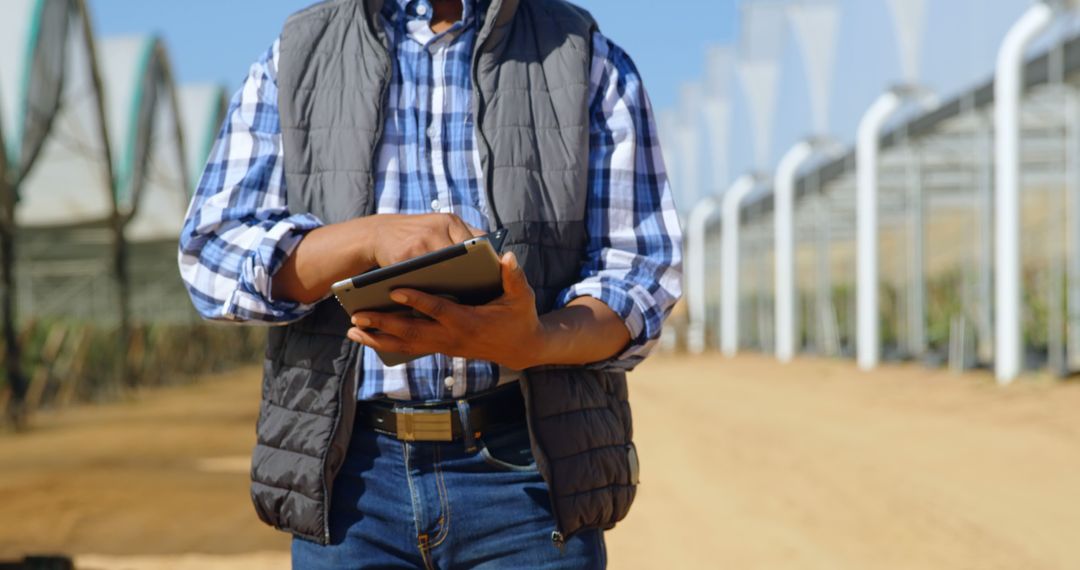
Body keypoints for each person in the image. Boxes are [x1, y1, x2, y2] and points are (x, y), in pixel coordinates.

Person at [178, 0, 681, 566]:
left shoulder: (584, 56)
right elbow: (211, 255)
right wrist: (365, 241)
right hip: (351, 481)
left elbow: (641, 270)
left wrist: (535, 341)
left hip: (527, 482)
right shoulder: (296, 56)